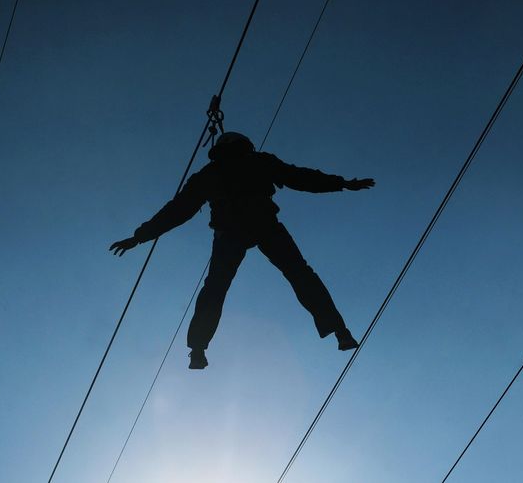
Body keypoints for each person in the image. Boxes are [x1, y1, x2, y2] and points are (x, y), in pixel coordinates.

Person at [110, 132, 374, 369]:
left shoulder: (211, 174)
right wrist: (341, 183)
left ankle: (198, 348)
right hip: (262, 224)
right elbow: (299, 177)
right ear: (243, 146)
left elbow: (177, 210)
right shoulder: (256, 162)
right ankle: (339, 330)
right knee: (299, 274)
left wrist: (139, 237)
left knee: (215, 287)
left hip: (231, 232)